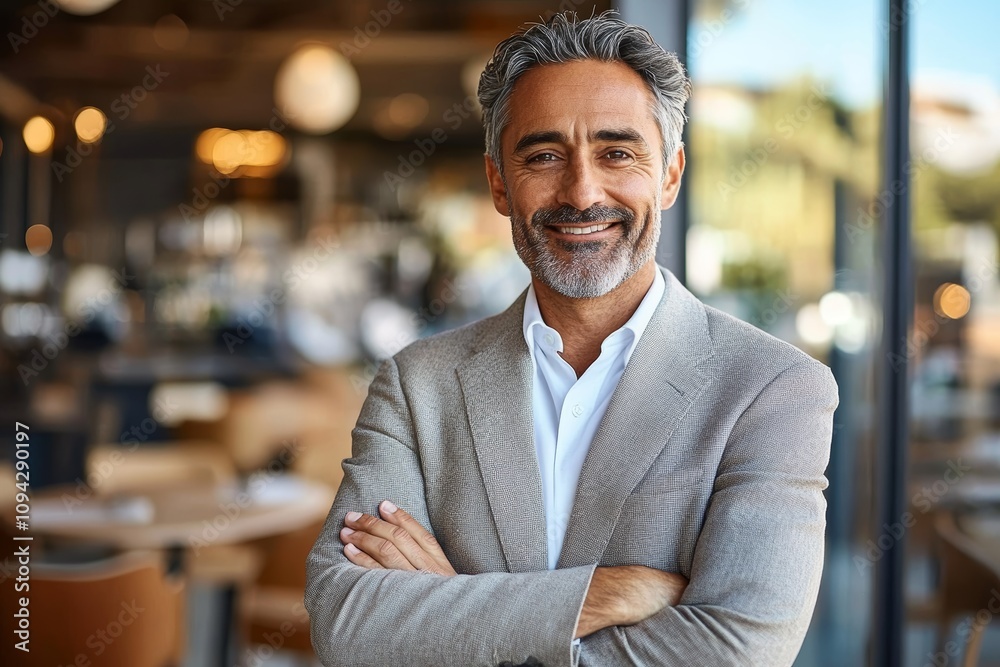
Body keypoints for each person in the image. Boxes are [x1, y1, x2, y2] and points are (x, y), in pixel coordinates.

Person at [305, 10, 838, 667]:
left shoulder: (772, 389)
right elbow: (347, 620)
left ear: (670, 174)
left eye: (617, 152)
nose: (582, 192)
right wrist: (601, 595)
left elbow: (736, 650)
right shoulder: (418, 384)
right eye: (544, 156)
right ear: (500, 183)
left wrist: (454, 606)